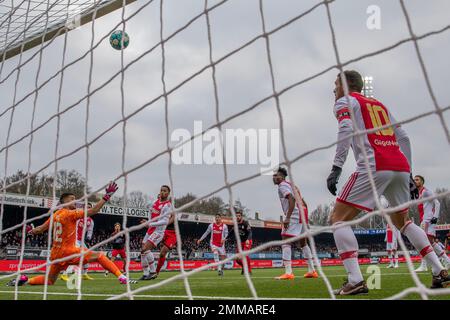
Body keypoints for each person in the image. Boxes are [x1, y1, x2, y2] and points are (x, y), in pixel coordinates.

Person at [326, 70, 449, 295]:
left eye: (336, 84)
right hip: (400, 167)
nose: (333, 90)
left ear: (345, 85)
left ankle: (355, 280)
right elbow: (404, 137)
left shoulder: (345, 101)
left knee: (337, 219)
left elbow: (345, 129)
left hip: (374, 166)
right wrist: (410, 173)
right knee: (403, 221)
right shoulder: (379, 105)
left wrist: (336, 167)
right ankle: (440, 271)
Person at [7, 182, 137, 286]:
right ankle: (122, 277)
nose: (75, 201)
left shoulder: (56, 214)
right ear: (65, 201)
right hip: (68, 251)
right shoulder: (70, 214)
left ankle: (24, 280)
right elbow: (94, 210)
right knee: (100, 256)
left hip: (56, 254)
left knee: (50, 281)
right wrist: (106, 197)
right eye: (72, 199)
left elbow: (40, 229)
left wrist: (30, 230)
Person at [272, 167, 318, 280]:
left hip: (294, 215)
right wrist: (305, 219)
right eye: (273, 176)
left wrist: (287, 218)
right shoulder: (292, 185)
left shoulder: (282, 185)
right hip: (302, 214)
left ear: (282, 177)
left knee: (285, 240)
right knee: (303, 243)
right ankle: (312, 270)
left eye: (276, 176)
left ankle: (288, 272)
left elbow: (291, 199)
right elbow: (303, 202)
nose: (274, 178)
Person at [413, 175, 449, 271]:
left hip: (428, 220)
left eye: (417, 180)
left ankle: (424, 265)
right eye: (414, 180)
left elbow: (437, 203)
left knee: (423, 242)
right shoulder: (418, 193)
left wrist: (435, 217)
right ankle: (446, 260)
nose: (415, 181)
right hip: (424, 220)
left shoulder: (426, 191)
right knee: (430, 242)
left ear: (422, 181)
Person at [139, 185, 173, 280]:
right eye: (161, 190)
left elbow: (165, 221)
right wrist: (147, 222)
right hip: (150, 230)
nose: (162, 192)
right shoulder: (155, 203)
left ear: (168, 193)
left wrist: (150, 224)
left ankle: (153, 272)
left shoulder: (168, 205)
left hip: (158, 231)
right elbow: (151, 215)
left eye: (165, 191)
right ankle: (145, 273)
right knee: (142, 251)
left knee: (145, 249)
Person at [60, 203, 94, 281]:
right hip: (74, 239)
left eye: (89, 207)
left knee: (87, 255)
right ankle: (64, 274)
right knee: (73, 256)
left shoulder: (90, 221)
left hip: (81, 241)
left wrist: (89, 237)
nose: (88, 208)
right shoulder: (78, 216)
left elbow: (90, 230)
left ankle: (84, 274)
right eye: (86, 207)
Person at [234, 210, 252, 275]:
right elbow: (231, 232)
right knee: (236, 258)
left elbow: (250, 232)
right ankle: (244, 267)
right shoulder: (236, 224)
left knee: (244, 254)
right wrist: (225, 238)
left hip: (247, 241)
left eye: (239, 216)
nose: (237, 217)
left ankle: (249, 271)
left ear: (241, 216)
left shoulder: (245, 223)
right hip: (240, 243)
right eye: (236, 216)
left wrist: (248, 239)